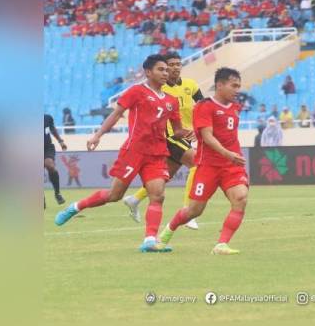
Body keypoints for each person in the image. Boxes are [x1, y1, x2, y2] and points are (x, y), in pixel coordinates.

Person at [54, 55, 192, 253]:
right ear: (148, 72)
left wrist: (190, 132)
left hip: (157, 153)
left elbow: (177, 130)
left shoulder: (171, 101)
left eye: (166, 70)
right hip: (134, 151)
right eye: (161, 69)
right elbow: (116, 114)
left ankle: (150, 240)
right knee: (114, 195)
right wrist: (98, 135)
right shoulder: (136, 91)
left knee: (158, 195)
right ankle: (75, 207)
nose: (166, 73)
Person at [157, 68, 249, 255]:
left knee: (240, 198)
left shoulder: (234, 107)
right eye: (234, 85)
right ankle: (165, 235)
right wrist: (227, 153)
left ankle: (221, 244)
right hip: (208, 166)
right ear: (220, 85)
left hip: (231, 166)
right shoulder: (204, 107)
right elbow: (207, 137)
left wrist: (231, 157)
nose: (237, 90)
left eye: (239, 86)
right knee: (193, 211)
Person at [123, 52, 204, 229]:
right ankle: (188, 211)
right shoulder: (160, 88)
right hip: (168, 136)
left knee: (165, 176)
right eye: (170, 65)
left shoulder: (191, 85)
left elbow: (204, 105)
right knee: (197, 163)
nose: (175, 67)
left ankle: (134, 199)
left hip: (185, 136)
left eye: (178, 64)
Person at [45, 113, 67, 206]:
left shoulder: (47, 117)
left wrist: (61, 141)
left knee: (50, 165)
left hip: (47, 148)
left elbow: (52, 129)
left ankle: (57, 193)